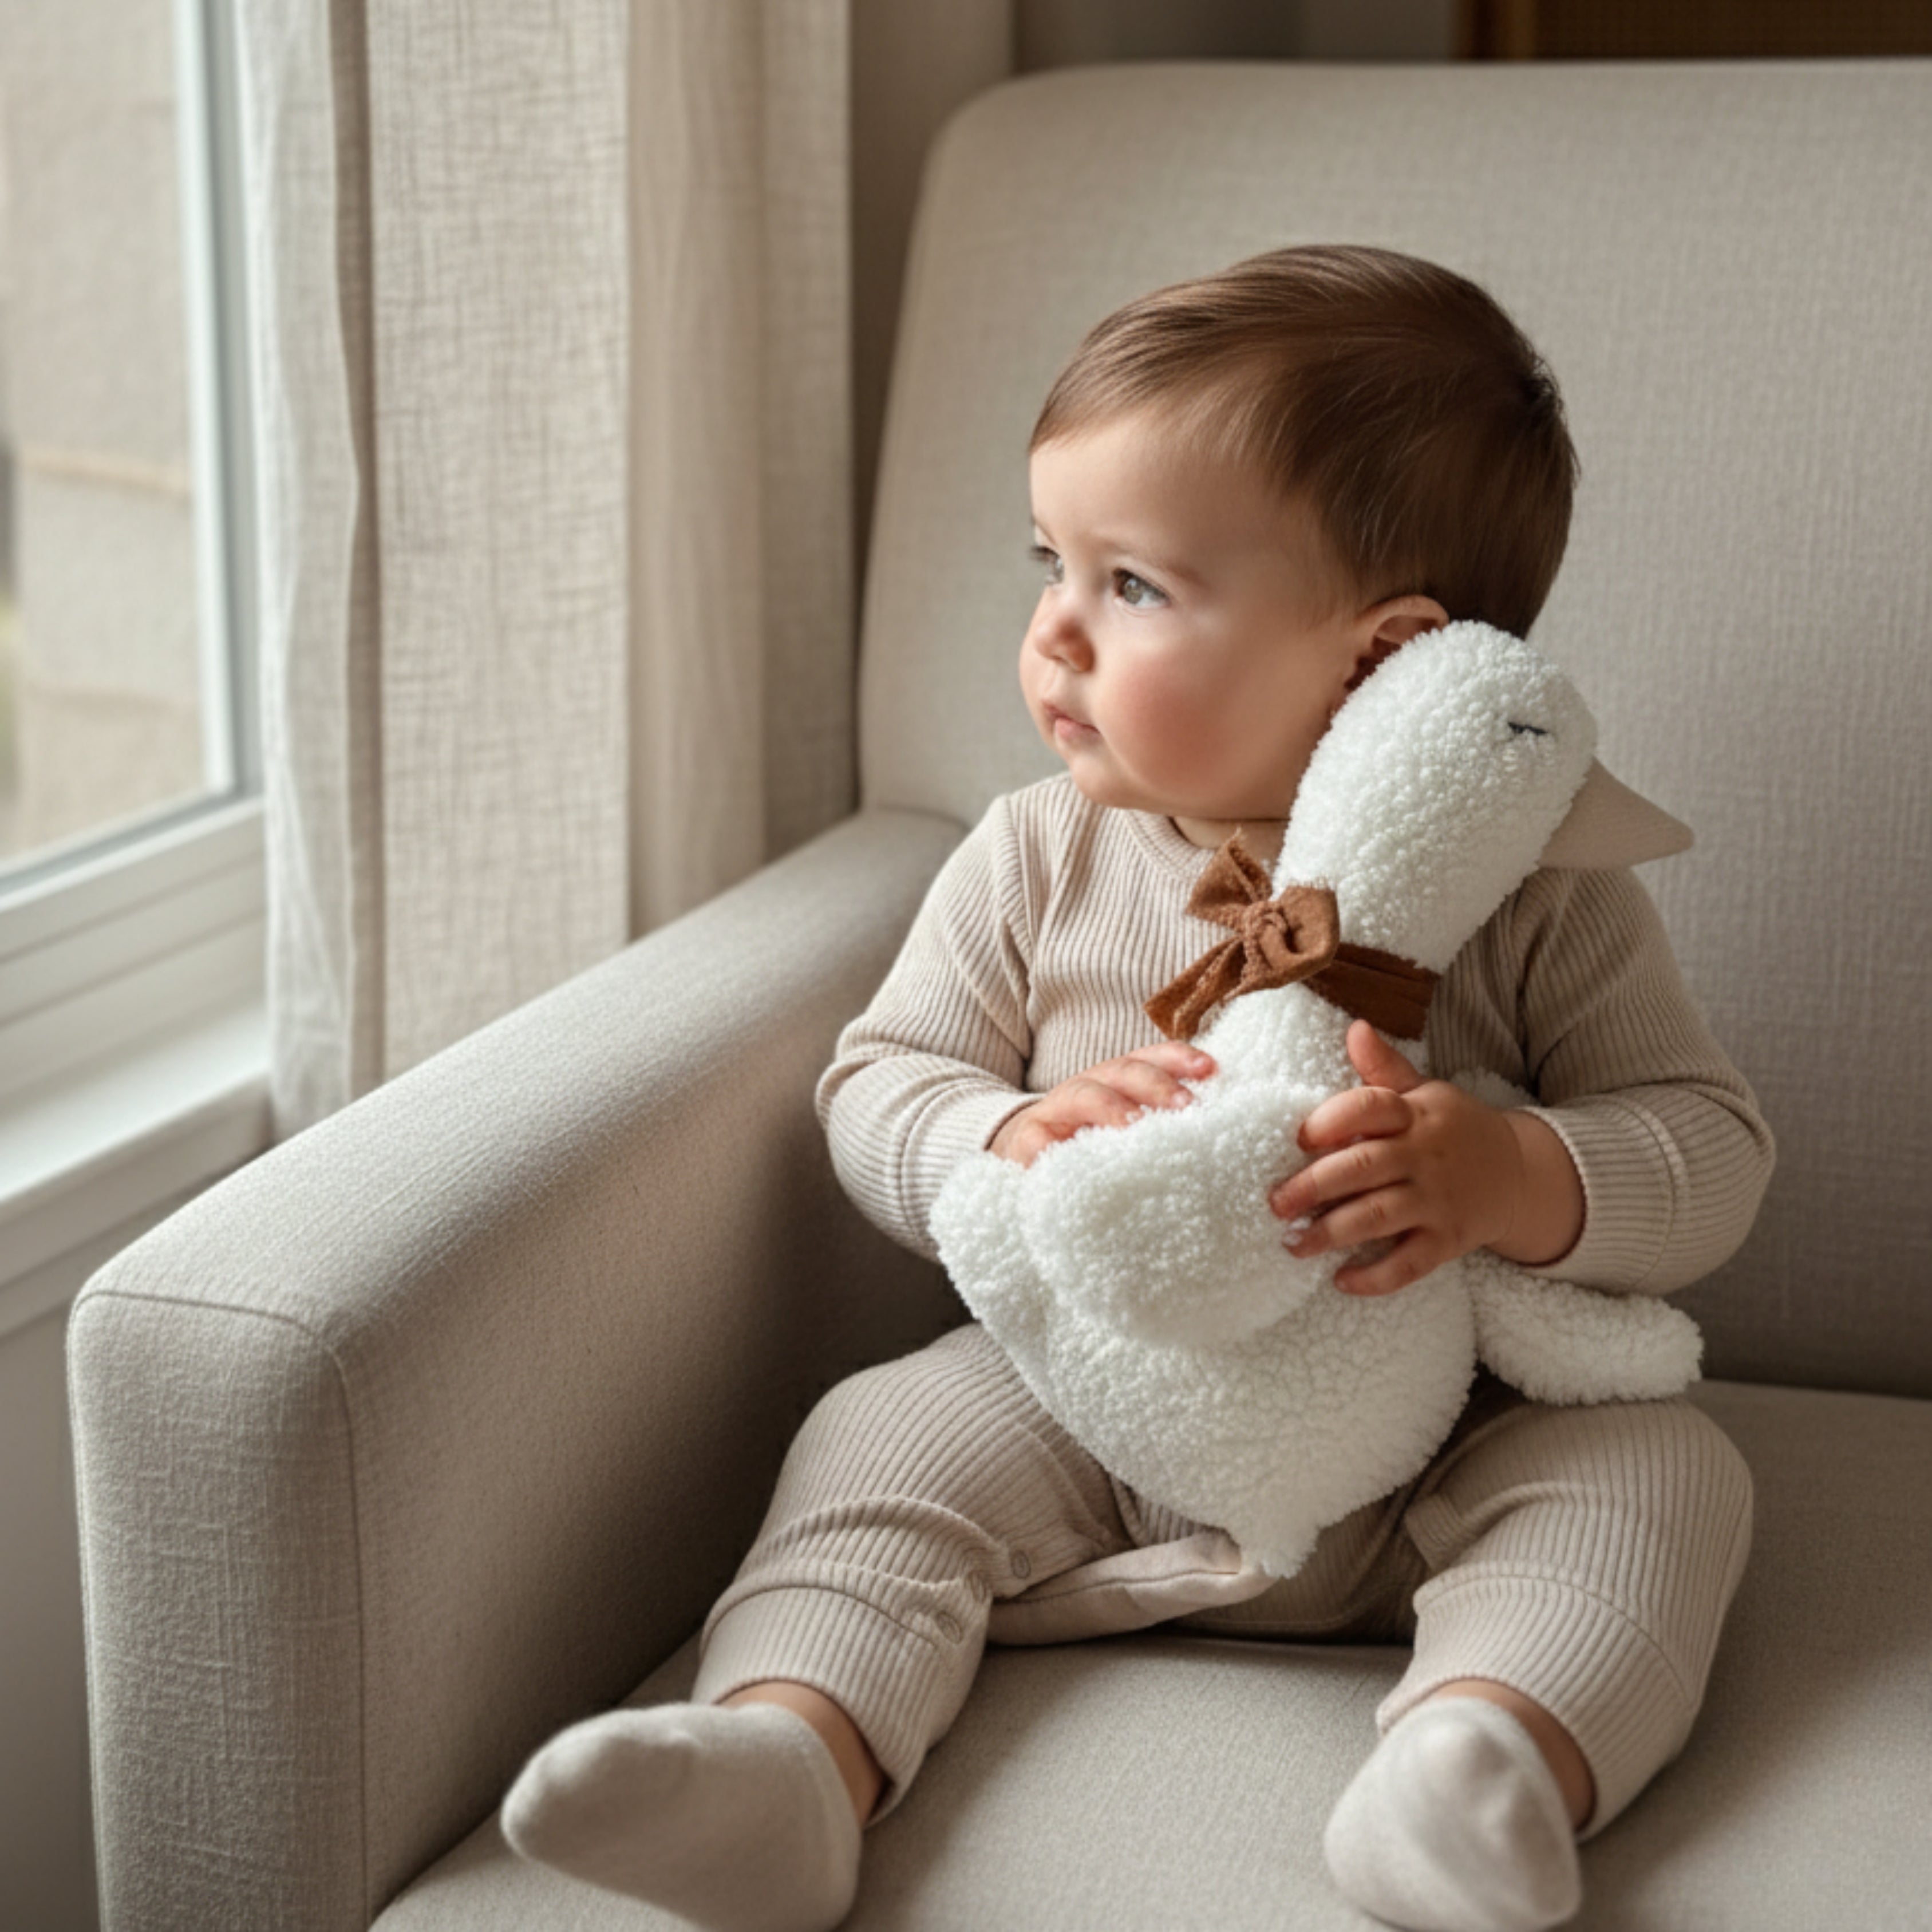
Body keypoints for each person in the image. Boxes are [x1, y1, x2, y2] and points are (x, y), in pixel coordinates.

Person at [501, 244, 1773, 1932]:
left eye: (1135, 587)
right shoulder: (1035, 854)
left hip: (1451, 1429)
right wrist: (999, 1137)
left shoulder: (1548, 890)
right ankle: (793, 1760)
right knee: (880, 1436)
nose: (1050, 633)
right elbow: (881, 1078)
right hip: (1093, 1393)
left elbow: (1709, 1144)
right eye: (1052, 562)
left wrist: (1511, 1177)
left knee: (1667, 1481)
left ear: (1378, 660)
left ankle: (1484, 1761)